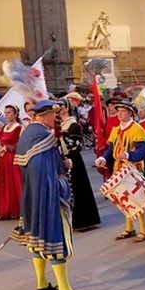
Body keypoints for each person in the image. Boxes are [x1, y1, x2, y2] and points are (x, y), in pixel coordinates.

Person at [13, 100, 91, 290]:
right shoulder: (44, 136)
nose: (55, 118)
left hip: (32, 195)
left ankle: (42, 284)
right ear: (44, 115)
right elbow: (47, 172)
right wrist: (63, 174)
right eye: (52, 114)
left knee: (37, 240)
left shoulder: (28, 134)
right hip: (49, 196)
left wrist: (62, 162)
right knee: (57, 240)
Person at [95, 101, 145, 242]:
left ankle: (144, 230)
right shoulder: (116, 129)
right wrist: (104, 158)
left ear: (130, 113)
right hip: (118, 168)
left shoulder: (137, 129)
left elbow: (144, 151)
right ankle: (129, 228)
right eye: (118, 111)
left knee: (137, 199)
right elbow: (111, 149)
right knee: (123, 199)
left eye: (123, 111)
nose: (119, 114)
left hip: (132, 169)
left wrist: (129, 155)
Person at [58, 99, 100, 231]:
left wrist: (61, 138)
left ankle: (83, 220)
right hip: (64, 158)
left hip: (74, 159)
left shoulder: (72, 124)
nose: (59, 109)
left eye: (61, 106)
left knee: (77, 188)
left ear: (67, 108)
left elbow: (76, 145)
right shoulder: (61, 124)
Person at [0, 105, 23, 220]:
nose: (7, 115)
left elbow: (20, 145)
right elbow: (1, 142)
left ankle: (18, 210)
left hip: (13, 159)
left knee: (14, 183)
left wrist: (6, 148)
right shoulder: (4, 127)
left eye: (9, 112)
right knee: (5, 183)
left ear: (16, 114)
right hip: (4, 158)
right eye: (6, 112)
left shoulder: (19, 128)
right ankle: (5, 210)